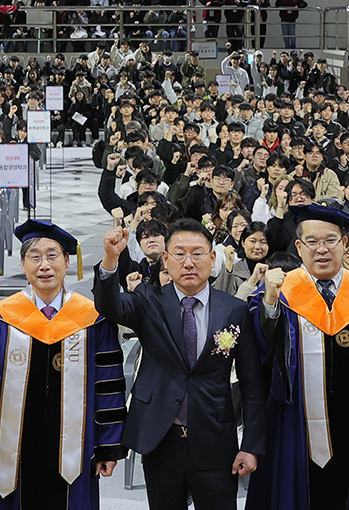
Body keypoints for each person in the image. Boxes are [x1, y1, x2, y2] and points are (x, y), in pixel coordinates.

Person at [96, 217, 265, 510]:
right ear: (165, 259)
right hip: (161, 438)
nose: (189, 262)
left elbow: (252, 385)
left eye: (198, 253)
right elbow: (109, 306)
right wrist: (111, 260)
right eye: (180, 253)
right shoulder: (148, 299)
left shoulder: (234, 310)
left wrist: (250, 445)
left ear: (212, 259)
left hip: (215, 438)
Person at [247, 203, 349, 510]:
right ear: (299, 247)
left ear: (345, 244)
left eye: (331, 240)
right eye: (313, 242)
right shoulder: (281, 292)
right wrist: (269, 302)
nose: (322, 249)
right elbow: (262, 349)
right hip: (295, 423)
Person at [0, 220, 125, 510]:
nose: (44, 265)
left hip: (74, 453)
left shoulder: (92, 320)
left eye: (53, 256)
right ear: (23, 264)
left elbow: (109, 384)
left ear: (67, 262)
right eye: (35, 257)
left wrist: (108, 446)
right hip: (12, 448)